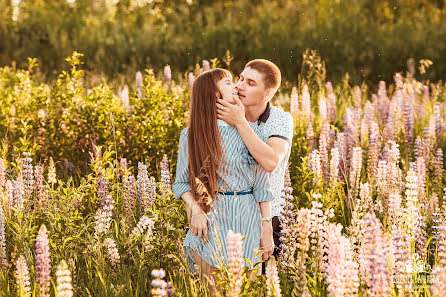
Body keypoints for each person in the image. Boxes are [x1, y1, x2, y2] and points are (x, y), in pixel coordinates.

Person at [172, 68, 274, 294]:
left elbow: (262, 185)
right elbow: (180, 184)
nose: (236, 86)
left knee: (247, 291)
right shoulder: (190, 135)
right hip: (211, 223)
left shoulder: (248, 131)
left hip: (247, 220)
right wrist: (196, 208)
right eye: (228, 83)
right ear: (215, 96)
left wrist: (266, 225)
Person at [216, 59, 294, 266]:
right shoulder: (223, 112)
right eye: (240, 78)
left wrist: (240, 122)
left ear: (267, 93)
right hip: (228, 215)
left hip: (269, 218)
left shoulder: (280, 119)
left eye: (251, 83)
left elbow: (270, 162)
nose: (240, 85)